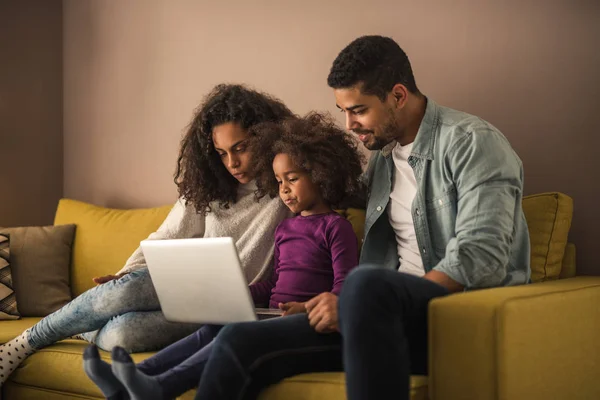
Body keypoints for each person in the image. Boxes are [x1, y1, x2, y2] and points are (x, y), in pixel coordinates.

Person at [192, 35, 531, 400]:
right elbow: (318, 190)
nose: (350, 124)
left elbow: (482, 253)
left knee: (366, 283)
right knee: (239, 338)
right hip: (375, 320)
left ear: (398, 96)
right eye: (344, 112)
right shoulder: (384, 161)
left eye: (359, 110)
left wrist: (356, 302)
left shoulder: (472, 142)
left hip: (447, 319)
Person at [0, 84, 297, 390]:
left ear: (265, 137)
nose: (232, 163)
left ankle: (81, 323)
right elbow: (166, 236)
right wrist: (125, 274)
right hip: (188, 287)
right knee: (121, 291)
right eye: (221, 153)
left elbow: (339, 186)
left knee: (123, 336)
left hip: (233, 312)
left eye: (241, 148)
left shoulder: (288, 184)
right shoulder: (210, 187)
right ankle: (23, 343)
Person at [82, 112, 364, 400]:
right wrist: (234, 294)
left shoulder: (336, 228)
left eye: (292, 179)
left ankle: (157, 387)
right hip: (271, 315)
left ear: (321, 175)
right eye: (278, 181)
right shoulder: (285, 228)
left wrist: (306, 308)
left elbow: (344, 289)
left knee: (232, 335)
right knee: (213, 327)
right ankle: (137, 376)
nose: (284, 190)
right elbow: (275, 282)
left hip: (307, 321)